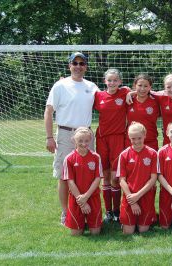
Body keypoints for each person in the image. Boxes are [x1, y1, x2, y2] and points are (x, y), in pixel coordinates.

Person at [44, 52, 98, 225]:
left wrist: (128, 92)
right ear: (69, 65)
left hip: (87, 135)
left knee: (89, 174)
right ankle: (66, 212)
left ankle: (87, 210)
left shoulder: (91, 86)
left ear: (86, 67)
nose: (78, 66)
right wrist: (49, 137)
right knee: (63, 176)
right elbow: (48, 111)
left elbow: (110, 96)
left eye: (82, 63)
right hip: (66, 134)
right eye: (75, 63)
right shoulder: (60, 86)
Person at [93, 68, 130, 223]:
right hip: (102, 138)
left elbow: (144, 90)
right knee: (105, 175)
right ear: (105, 81)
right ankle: (108, 211)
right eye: (110, 80)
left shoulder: (125, 93)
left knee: (116, 176)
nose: (112, 83)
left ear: (120, 82)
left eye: (115, 80)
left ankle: (117, 210)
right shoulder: (98, 96)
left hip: (118, 138)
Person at [116, 122, 158, 234]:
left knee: (143, 230)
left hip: (146, 195)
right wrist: (133, 201)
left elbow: (153, 179)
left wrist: (138, 196)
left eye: (139, 138)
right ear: (129, 137)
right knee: (128, 232)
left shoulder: (153, 154)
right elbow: (122, 180)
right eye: (133, 138)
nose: (136, 141)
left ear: (145, 135)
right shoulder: (124, 154)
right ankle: (126, 221)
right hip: (129, 196)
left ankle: (148, 218)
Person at [62, 127, 103, 235]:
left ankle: (89, 222)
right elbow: (70, 182)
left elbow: (97, 179)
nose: (84, 144)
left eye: (86, 141)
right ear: (74, 141)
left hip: (92, 197)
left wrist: (86, 197)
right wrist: (82, 201)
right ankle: (80, 222)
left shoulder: (96, 157)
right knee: (76, 234)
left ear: (90, 141)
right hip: (76, 199)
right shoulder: (69, 158)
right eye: (80, 141)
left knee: (95, 233)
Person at [126, 74, 160, 151]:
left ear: (150, 87)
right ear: (135, 86)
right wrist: (129, 93)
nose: (142, 89)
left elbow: (170, 92)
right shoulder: (128, 100)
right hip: (132, 141)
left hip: (150, 141)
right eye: (140, 85)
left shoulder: (156, 100)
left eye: (146, 86)